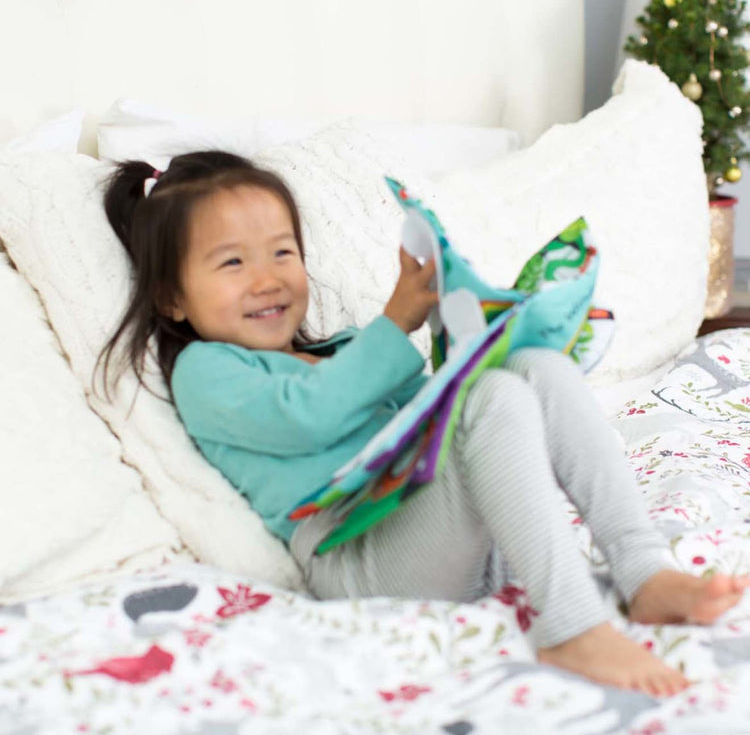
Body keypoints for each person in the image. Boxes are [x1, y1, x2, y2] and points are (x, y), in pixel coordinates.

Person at [101, 150, 749, 697]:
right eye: (232, 263)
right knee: (492, 398)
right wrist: (396, 324)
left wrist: (470, 341)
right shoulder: (208, 371)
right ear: (172, 298)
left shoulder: (344, 348)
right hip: (365, 563)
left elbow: (434, 424)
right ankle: (573, 628)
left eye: (281, 251)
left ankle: (644, 572)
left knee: (531, 368)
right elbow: (310, 417)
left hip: (453, 539)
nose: (267, 279)